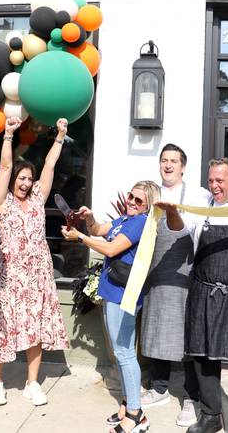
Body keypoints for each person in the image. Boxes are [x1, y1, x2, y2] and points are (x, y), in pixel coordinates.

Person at [158, 157, 228, 433]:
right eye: (211, 180)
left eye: (220, 180)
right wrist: (172, 211)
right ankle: (210, 416)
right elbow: (179, 229)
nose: (214, 186)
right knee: (203, 356)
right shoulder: (202, 206)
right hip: (204, 291)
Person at [0, 116, 70, 407]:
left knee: (35, 327)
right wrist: (8, 135)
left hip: (37, 275)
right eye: (22, 178)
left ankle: (32, 383)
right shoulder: (0, 202)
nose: (27, 183)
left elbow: (50, 166)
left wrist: (59, 137)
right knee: (2, 327)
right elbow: (5, 166)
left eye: (29, 179)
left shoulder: (37, 200)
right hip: (7, 274)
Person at [61, 180, 161, 433]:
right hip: (112, 293)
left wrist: (80, 237)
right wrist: (90, 218)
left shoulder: (141, 222)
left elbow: (111, 247)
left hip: (123, 297)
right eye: (131, 196)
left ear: (148, 205)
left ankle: (137, 416)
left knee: (125, 353)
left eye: (139, 200)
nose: (132, 202)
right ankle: (127, 405)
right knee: (120, 351)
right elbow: (98, 231)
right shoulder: (124, 220)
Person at [140, 143, 208, 427]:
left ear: (183, 166)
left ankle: (192, 398)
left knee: (186, 336)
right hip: (155, 272)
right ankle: (159, 387)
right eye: (164, 160)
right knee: (156, 329)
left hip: (184, 273)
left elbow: (198, 232)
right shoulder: (149, 193)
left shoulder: (198, 195)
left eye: (173, 161)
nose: (168, 165)